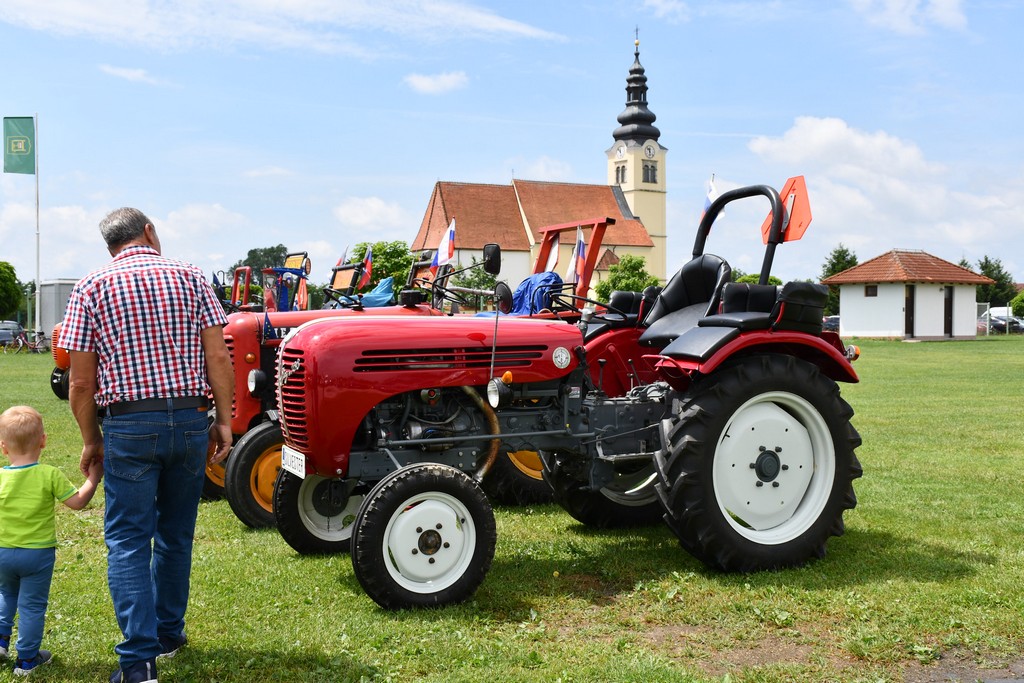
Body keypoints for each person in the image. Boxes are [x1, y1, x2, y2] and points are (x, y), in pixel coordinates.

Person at [59, 208, 233, 683]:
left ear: (111, 245)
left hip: (129, 425)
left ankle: (139, 661)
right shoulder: (192, 276)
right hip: (193, 418)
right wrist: (225, 421)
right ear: (150, 232)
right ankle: (169, 633)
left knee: (129, 540)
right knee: (176, 534)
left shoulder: (91, 286)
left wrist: (92, 439)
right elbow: (218, 353)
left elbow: (80, 382)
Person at [0, 405, 102, 676]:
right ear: (43, 440)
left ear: (3, 447)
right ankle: (27, 660)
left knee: (5, 594)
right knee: (31, 605)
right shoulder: (49, 474)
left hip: (2, 552)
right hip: (37, 554)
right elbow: (78, 502)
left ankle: (0, 642)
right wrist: (94, 477)